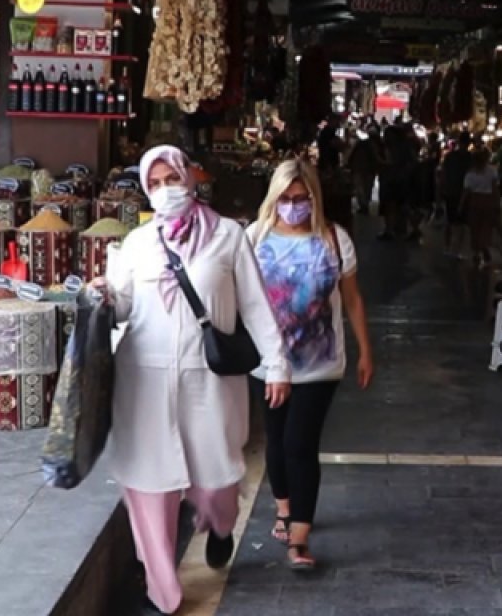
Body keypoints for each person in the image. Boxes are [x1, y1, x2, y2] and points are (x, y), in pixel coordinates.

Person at [90, 145, 291, 616]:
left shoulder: (227, 237)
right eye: (155, 184)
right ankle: (163, 591)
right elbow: (122, 307)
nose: (165, 191)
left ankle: (221, 525)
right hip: (144, 382)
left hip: (209, 381)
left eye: (171, 179)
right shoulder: (137, 243)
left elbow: (257, 306)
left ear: (189, 178)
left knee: (218, 477)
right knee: (147, 486)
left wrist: (277, 365)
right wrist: (103, 295)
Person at [247, 159, 373, 571]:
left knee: (301, 444)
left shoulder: (335, 239)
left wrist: (365, 350)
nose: (294, 206)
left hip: (321, 363)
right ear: (274, 198)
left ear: (314, 198)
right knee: (278, 442)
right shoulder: (255, 237)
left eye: (302, 199)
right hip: (269, 363)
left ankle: (299, 535)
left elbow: (352, 299)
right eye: (286, 199)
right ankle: (285, 507)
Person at [462, 147, 500, 267]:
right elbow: (495, 188)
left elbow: (466, 191)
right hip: (488, 200)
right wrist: (497, 202)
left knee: (474, 227)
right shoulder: (492, 171)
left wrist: (461, 204)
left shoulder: (470, 173)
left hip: (475, 201)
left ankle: (477, 252)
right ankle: (484, 247)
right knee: (486, 227)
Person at [439, 132, 473, 256]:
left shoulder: (451, 156)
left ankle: (449, 247)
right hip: (461, 191)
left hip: (454, 190)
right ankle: (457, 248)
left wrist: (442, 187)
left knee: (451, 220)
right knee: (460, 222)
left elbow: (443, 173)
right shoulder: (469, 157)